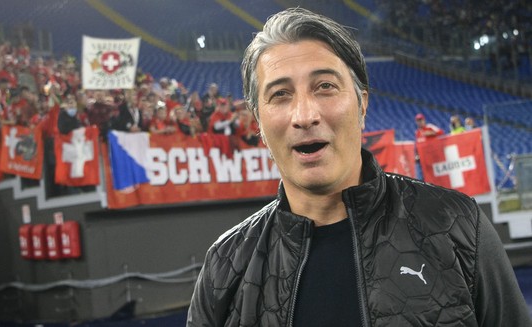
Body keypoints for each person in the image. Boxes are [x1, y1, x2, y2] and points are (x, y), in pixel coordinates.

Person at [187, 8, 531, 327]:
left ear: (362, 103)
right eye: (280, 94)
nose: (305, 116)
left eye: (325, 87)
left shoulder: (458, 226)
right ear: (258, 122)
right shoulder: (225, 265)